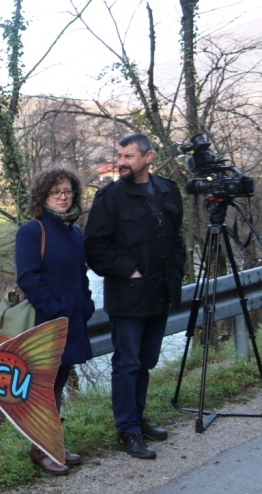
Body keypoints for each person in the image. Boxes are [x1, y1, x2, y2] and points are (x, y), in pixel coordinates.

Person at [84, 133, 185, 459]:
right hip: (128, 296)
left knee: (146, 361)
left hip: (161, 292)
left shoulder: (168, 189)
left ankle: (139, 421)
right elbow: (94, 247)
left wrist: (178, 269)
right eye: (120, 156)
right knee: (127, 363)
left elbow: (175, 237)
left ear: (149, 157)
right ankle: (126, 432)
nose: (121, 162)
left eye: (128, 157)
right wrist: (129, 269)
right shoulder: (110, 197)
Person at [15, 166, 96, 475]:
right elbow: (28, 278)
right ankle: (42, 448)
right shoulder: (32, 231)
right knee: (43, 388)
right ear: (43, 196)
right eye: (56, 192)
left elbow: (81, 275)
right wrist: (55, 311)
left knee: (57, 385)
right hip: (47, 324)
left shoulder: (74, 231)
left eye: (67, 191)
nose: (63, 197)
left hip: (72, 321)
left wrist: (86, 305)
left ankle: (52, 443)